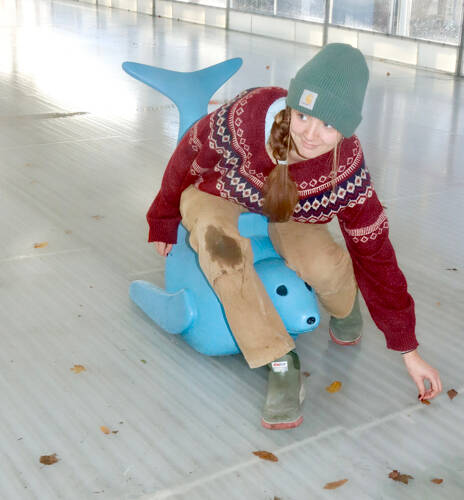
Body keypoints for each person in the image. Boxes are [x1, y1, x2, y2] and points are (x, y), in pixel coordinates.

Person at [146, 43, 442, 430]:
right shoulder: (247, 115)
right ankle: (279, 361)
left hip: (291, 208)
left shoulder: (346, 166)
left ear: (347, 128)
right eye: (303, 115)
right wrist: (163, 216)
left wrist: (408, 348)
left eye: (329, 126)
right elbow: (190, 150)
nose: (311, 135)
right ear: (291, 103)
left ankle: (345, 304)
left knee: (324, 263)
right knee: (223, 253)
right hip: (221, 192)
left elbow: (375, 251)